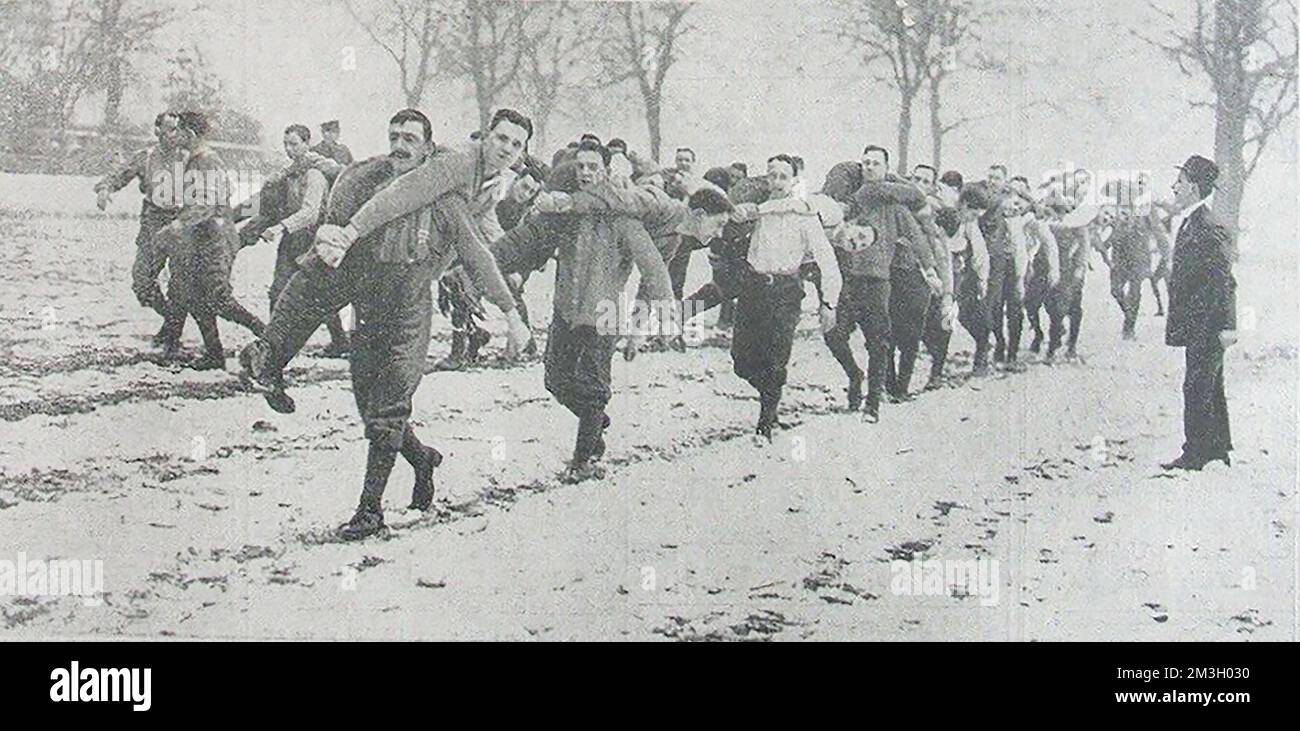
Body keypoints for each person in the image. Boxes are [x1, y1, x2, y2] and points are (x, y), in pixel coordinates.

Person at [238, 111, 531, 413]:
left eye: (516, 144)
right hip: (363, 237)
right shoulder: (455, 166)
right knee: (314, 289)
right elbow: (393, 192)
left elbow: (480, 235)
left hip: (396, 265)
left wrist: (504, 270)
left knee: (382, 370)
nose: (506, 148)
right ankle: (268, 358)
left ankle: (271, 359)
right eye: (501, 138)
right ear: (487, 137)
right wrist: (342, 231)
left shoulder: (490, 181)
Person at [488, 142, 675, 481]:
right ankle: (595, 420)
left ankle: (584, 460)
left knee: (592, 388)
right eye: (581, 167)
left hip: (602, 314)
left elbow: (653, 265)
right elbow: (535, 243)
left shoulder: (624, 220)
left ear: (606, 170)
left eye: (593, 167)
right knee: (555, 381)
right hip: (566, 310)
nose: (586, 173)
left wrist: (664, 312)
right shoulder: (566, 213)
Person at [820, 145, 939, 420]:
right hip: (847, 281)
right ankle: (854, 375)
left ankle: (872, 404)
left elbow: (918, 239)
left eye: (875, 163)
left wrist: (930, 270)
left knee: (877, 343)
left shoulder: (895, 208)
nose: (870, 167)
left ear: (886, 169)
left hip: (876, 282)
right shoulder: (851, 203)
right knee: (833, 334)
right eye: (865, 163)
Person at [727, 155, 840, 442]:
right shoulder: (758, 212)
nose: (776, 182)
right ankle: (770, 398)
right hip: (754, 288)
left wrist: (829, 303)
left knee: (775, 360)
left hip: (785, 292)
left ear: (793, 181)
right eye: (772, 175)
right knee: (741, 361)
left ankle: (764, 425)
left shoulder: (805, 215)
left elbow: (828, 262)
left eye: (782, 176)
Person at [154, 111, 266, 368]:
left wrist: (178, 224)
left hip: (216, 239)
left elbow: (207, 202)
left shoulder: (206, 160)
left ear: (190, 134)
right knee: (195, 297)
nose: (175, 135)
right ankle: (215, 355)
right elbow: (225, 189)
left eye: (178, 131)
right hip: (204, 236)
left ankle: (271, 337)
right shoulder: (196, 160)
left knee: (219, 299)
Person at [246, 124, 351, 356]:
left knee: (319, 293)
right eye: (286, 144)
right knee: (277, 291)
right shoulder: (289, 172)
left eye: (294, 144)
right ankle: (271, 346)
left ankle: (340, 341)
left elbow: (310, 213)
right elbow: (268, 202)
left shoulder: (315, 174)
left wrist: (281, 227)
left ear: (306, 143)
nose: (289, 149)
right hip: (291, 240)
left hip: (313, 240)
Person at [1161, 155, 1236, 471]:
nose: (1174, 187)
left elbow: (1224, 281)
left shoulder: (1207, 226)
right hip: (1200, 320)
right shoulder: (1195, 221)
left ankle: (1195, 454)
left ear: (1192, 187)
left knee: (1197, 385)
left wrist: (1228, 326)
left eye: (1179, 182)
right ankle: (1216, 448)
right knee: (1208, 383)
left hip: (1208, 322)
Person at [94, 111, 187, 340]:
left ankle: (172, 332)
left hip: (181, 222)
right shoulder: (145, 157)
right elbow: (119, 175)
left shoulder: (189, 158)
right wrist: (105, 188)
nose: (175, 135)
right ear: (158, 131)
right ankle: (171, 319)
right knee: (142, 283)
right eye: (170, 129)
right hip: (152, 221)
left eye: (178, 130)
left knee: (180, 284)